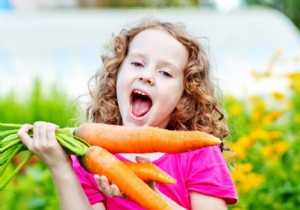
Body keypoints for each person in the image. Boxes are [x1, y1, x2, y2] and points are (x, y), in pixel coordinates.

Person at [18, 18, 238, 210]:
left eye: (165, 72)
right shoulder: (89, 156)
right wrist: (61, 167)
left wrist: (150, 195)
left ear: (185, 93)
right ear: (116, 76)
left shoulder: (199, 152)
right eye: (137, 63)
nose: (147, 75)